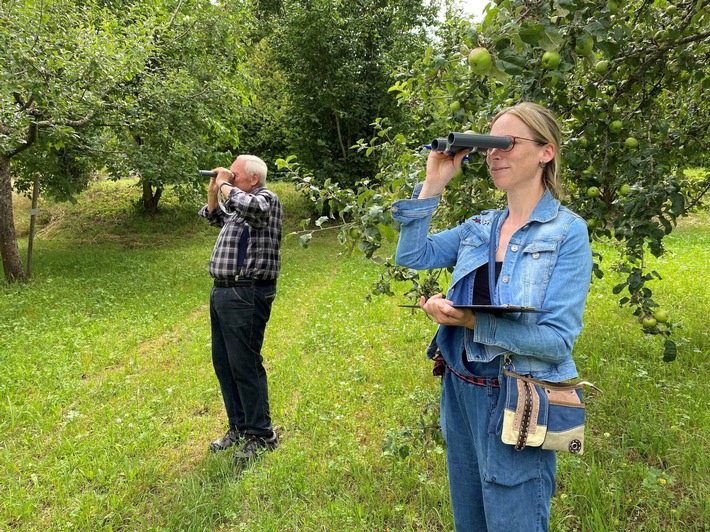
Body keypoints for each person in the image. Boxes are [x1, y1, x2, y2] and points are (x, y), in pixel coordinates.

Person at [391, 102, 592, 531]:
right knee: (470, 518)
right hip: (460, 390)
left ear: (546, 152)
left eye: (507, 143)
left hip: (516, 394)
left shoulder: (566, 232)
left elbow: (557, 341)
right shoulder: (480, 226)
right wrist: (433, 183)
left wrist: (470, 321)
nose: (493, 155)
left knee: (513, 518)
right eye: (487, 146)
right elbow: (412, 255)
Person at [198, 154, 282, 462]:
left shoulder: (265, 200)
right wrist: (213, 192)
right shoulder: (238, 205)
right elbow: (214, 217)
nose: (229, 179)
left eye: (233, 175)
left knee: (245, 364)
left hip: (247, 293)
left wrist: (224, 185)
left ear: (253, 179)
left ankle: (262, 435)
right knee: (225, 364)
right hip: (223, 292)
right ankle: (239, 426)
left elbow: (249, 207)